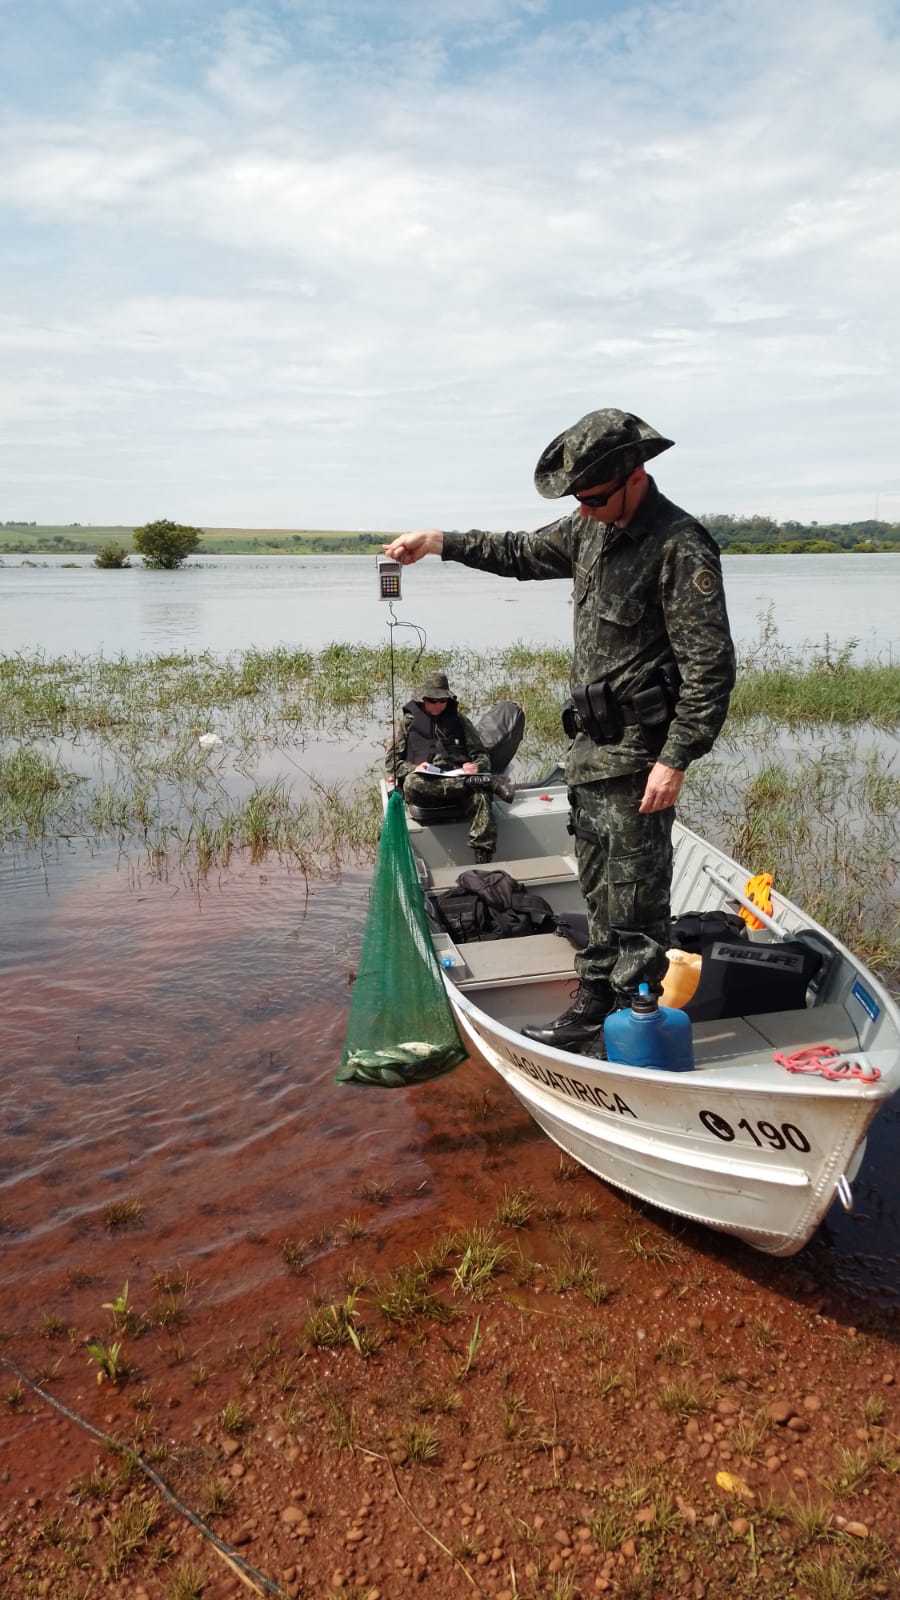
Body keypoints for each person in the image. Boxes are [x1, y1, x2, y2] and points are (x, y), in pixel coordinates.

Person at [383, 408, 736, 1054]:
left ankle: (640, 1022)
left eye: (595, 497)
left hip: (639, 759)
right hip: (589, 757)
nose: (586, 509)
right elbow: (515, 553)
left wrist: (677, 757)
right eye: (578, 499)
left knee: (637, 901)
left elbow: (710, 668)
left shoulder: (679, 546)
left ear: (636, 475)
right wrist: (439, 542)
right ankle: (595, 999)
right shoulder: (587, 532)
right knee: (599, 887)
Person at [386, 668, 515, 864]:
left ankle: (483, 857)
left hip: (458, 778)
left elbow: (481, 755)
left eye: (442, 701)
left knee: (480, 796)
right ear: (423, 699)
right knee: (412, 783)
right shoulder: (407, 724)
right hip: (427, 787)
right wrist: (415, 768)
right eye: (433, 701)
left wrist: (476, 767)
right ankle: (486, 781)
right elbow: (392, 764)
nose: (438, 706)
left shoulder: (460, 721)